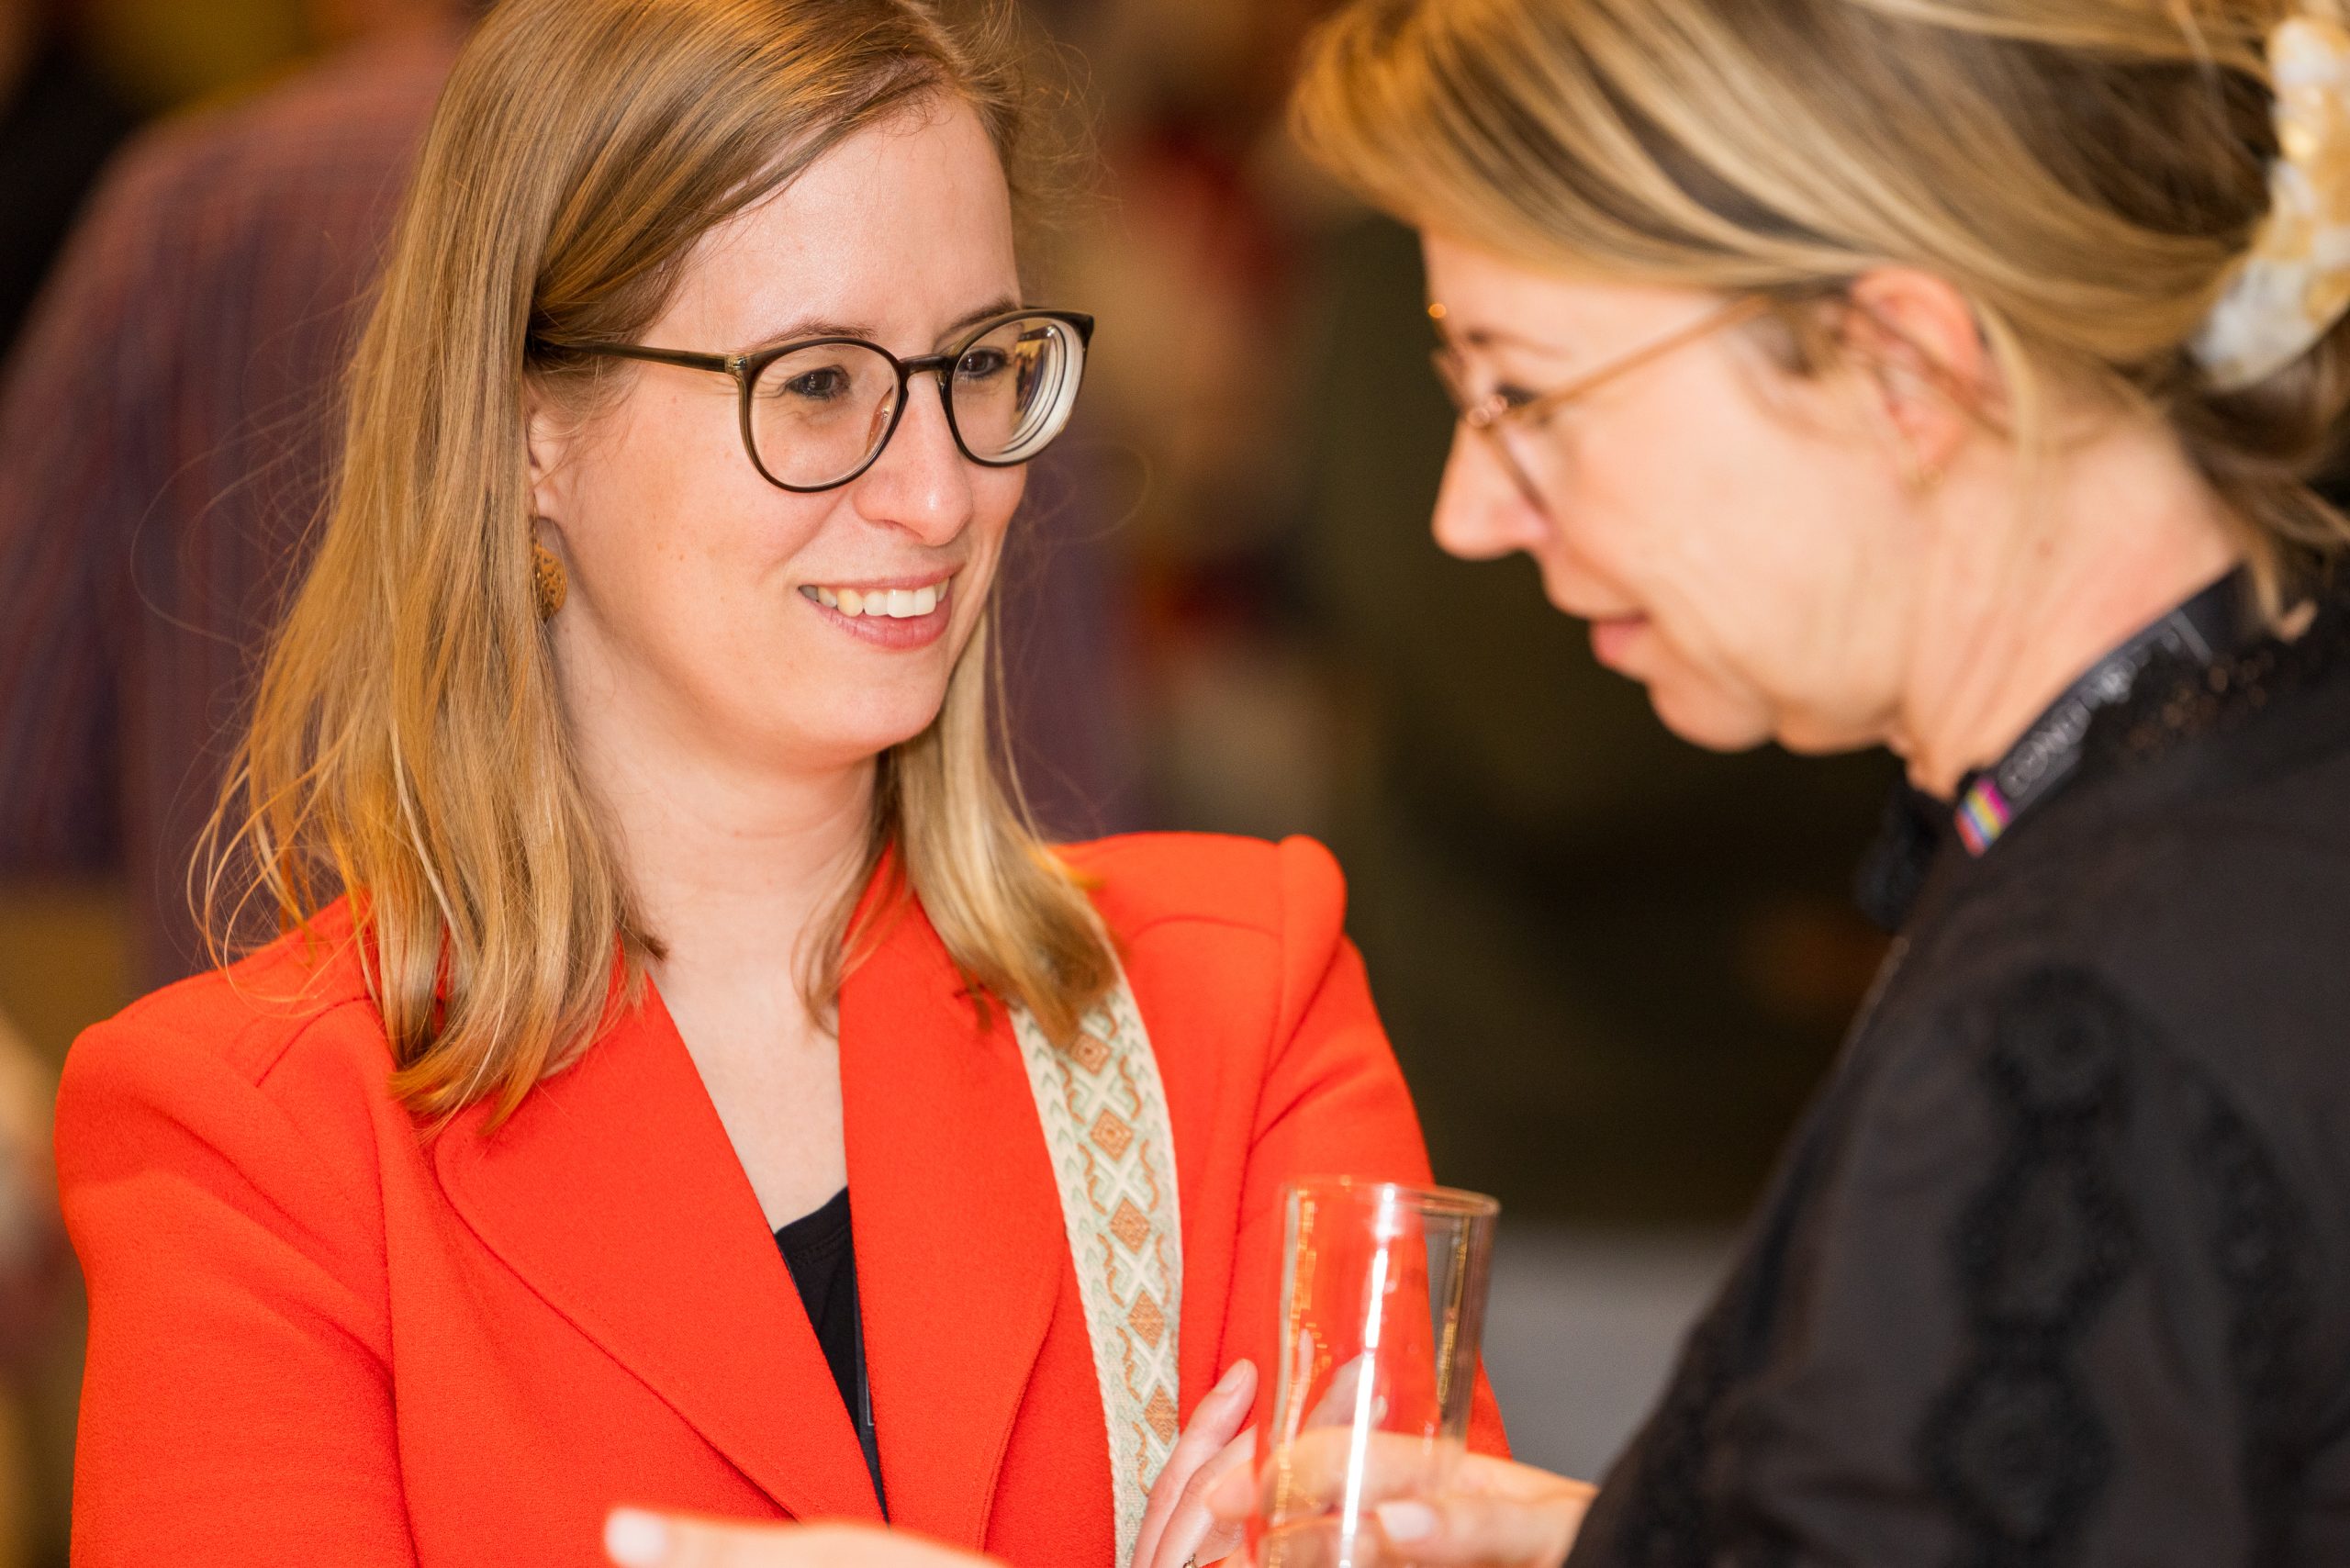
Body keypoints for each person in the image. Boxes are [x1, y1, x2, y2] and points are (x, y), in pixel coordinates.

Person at [610, 0, 2350, 1562]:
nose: (1471, 511)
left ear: (1899, 365)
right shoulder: (2220, 824)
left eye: (1528, 395)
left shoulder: (2090, 1020)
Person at [51, 2, 1501, 1565]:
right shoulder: (256, 1140)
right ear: (531, 428)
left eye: (980, 364)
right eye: (816, 384)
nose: (942, 491)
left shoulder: (1235, 1002)